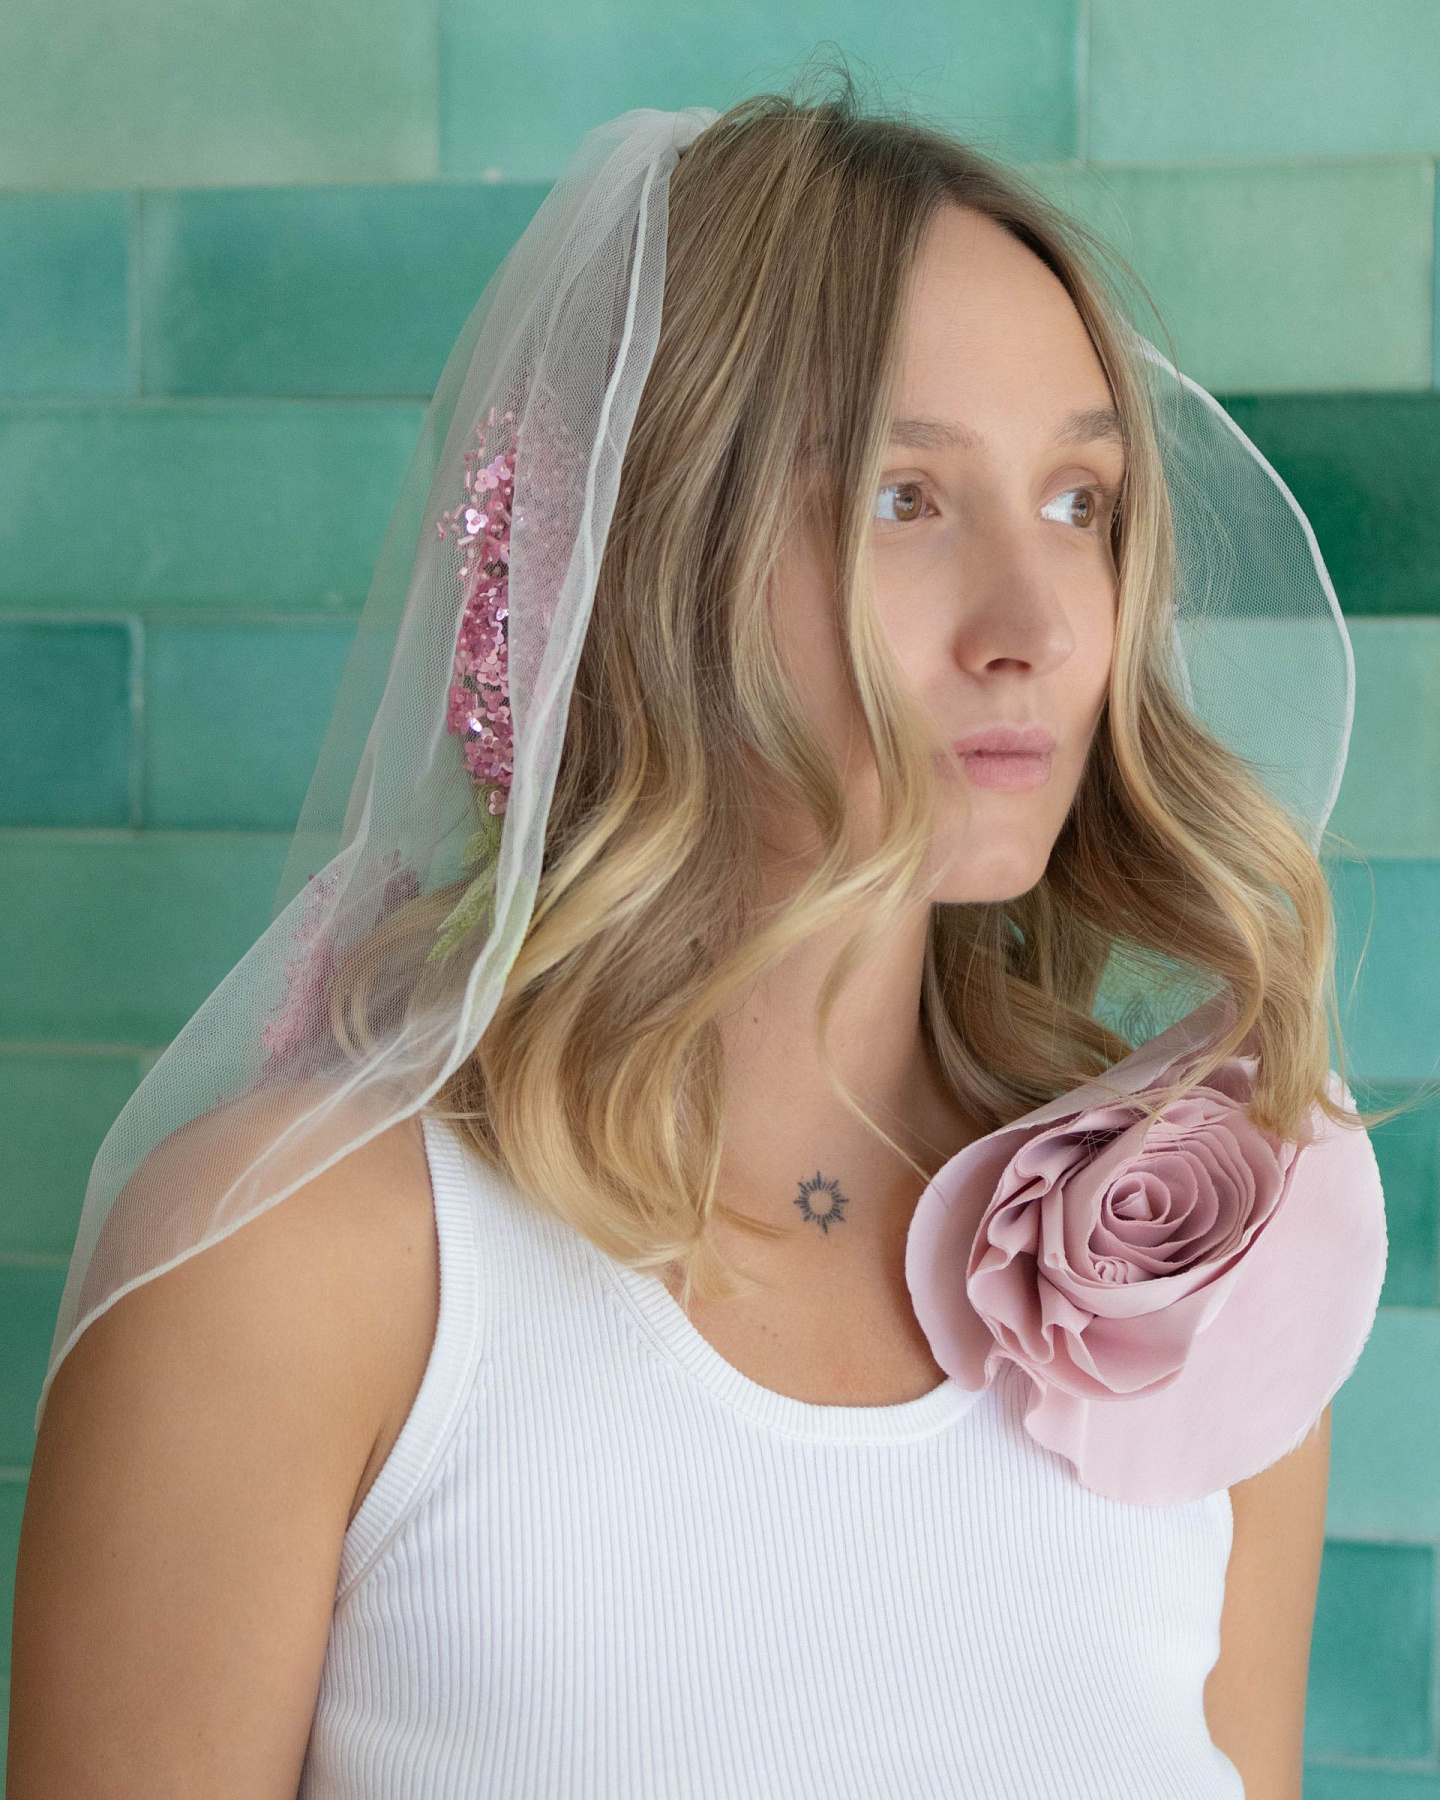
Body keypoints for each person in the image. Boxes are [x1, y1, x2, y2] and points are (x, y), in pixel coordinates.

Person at [8, 69, 1393, 1799]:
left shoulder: (1199, 1276)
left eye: (1079, 503)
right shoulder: (298, 1274)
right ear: (647, 550)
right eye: (901, 497)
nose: (1036, 625)